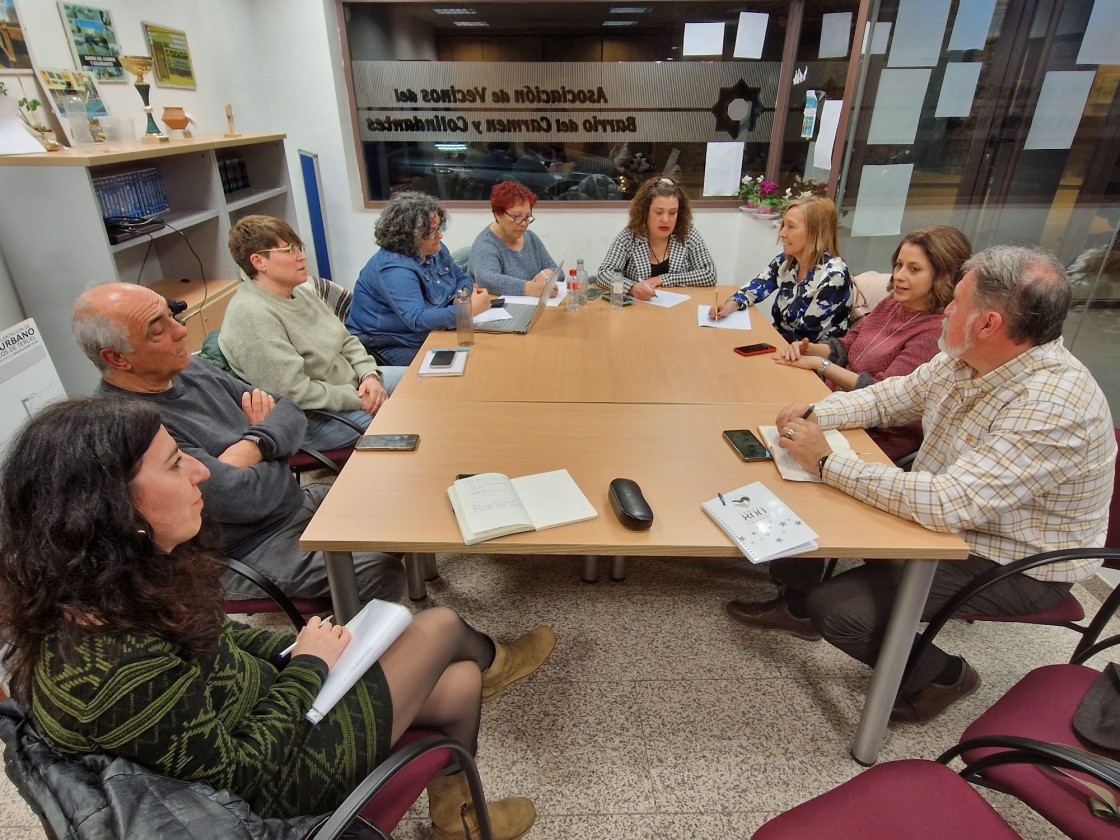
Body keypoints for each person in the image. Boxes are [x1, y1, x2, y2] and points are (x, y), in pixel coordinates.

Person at [0, 397, 554, 839]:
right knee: (437, 629)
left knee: (455, 680)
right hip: (272, 789)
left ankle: (457, 817)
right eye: (175, 464)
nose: (200, 472)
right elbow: (240, 777)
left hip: (265, 712)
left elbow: (218, 643)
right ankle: (492, 672)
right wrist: (309, 669)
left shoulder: (120, 584)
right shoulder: (114, 667)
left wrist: (297, 652)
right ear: (106, 508)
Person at [727, 245, 1116, 723]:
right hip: (955, 519)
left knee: (840, 612)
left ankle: (944, 676)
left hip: (1014, 560)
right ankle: (802, 601)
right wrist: (815, 414)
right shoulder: (969, 355)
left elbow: (949, 505)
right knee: (817, 505)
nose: (946, 308)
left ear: (989, 324)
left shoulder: (1053, 405)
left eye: (957, 303)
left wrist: (827, 462)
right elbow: (893, 397)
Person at [72, 282, 404, 604]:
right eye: (158, 330)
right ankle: (359, 658)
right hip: (244, 549)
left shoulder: (190, 369)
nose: (181, 332)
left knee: (401, 506)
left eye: (173, 316)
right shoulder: (131, 427)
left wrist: (253, 446)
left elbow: (289, 410)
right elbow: (243, 500)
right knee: (379, 572)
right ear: (117, 358)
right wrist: (274, 446)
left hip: (290, 503)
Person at [772, 226, 972, 462]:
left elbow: (881, 393)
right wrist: (810, 349)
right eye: (899, 265)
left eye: (914, 269)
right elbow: (849, 344)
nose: (899, 275)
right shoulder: (894, 304)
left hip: (875, 437)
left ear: (943, 276)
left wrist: (820, 364)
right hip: (839, 408)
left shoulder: (936, 332)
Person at [220, 215, 408, 451]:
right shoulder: (252, 315)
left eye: (300, 248)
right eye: (289, 250)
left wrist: (368, 375)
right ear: (259, 262)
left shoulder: (302, 291)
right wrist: (357, 398)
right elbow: (293, 392)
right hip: (315, 419)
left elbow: (346, 340)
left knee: (425, 382)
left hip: (351, 388)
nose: (302, 256)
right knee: (406, 417)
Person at [348, 192, 490, 366]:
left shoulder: (434, 248)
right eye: (432, 231)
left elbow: (461, 277)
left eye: (439, 228)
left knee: (482, 353)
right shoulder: (394, 269)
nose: (440, 236)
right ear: (409, 236)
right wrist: (466, 310)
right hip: (391, 344)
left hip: (427, 331)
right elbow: (417, 319)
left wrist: (461, 300)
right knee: (463, 365)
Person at [709, 195, 851, 342]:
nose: (782, 233)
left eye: (791, 227)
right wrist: (730, 305)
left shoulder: (834, 277)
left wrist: (756, 338)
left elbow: (806, 337)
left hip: (808, 355)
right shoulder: (787, 261)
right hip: (780, 343)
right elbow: (756, 288)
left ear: (816, 232)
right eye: (783, 225)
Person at [594, 176, 716, 302]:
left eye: (672, 213)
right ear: (645, 212)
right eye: (658, 212)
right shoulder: (630, 236)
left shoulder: (687, 233)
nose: (666, 220)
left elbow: (710, 274)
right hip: (638, 311)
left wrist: (662, 279)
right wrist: (631, 288)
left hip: (678, 311)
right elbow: (604, 273)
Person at [469, 181, 559, 297]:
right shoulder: (486, 244)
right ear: (498, 215)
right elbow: (487, 279)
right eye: (516, 217)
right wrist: (530, 288)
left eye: (527, 217)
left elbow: (558, 272)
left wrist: (547, 273)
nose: (523, 223)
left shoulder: (531, 238)